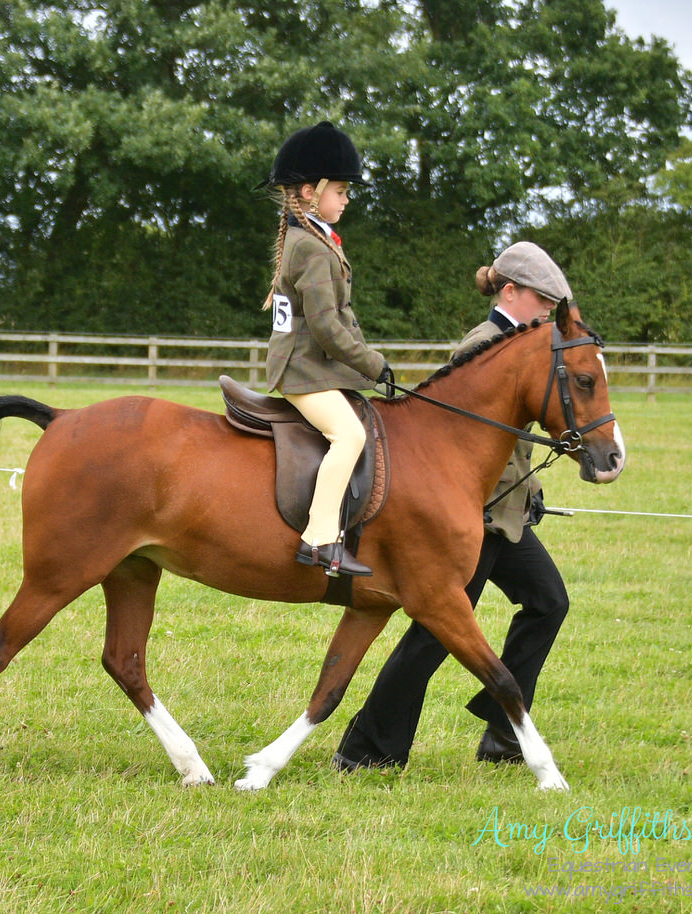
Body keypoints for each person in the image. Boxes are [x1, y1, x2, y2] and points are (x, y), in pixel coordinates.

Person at [332, 240, 573, 769]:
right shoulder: (483, 343)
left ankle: (501, 730)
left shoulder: (528, 348)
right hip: (469, 518)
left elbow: (514, 440)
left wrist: (531, 494)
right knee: (434, 635)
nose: (548, 316)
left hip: (503, 515)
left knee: (548, 601)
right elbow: (463, 442)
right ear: (511, 293)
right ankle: (367, 750)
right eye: (543, 304)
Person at [262, 122, 393, 578]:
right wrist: (373, 364)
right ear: (308, 192)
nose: (346, 199)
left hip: (309, 365)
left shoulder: (315, 240)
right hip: (301, 371)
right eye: (340, 190)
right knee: (350, 437)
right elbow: (326, 329)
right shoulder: (312, 249)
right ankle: (318, 540)